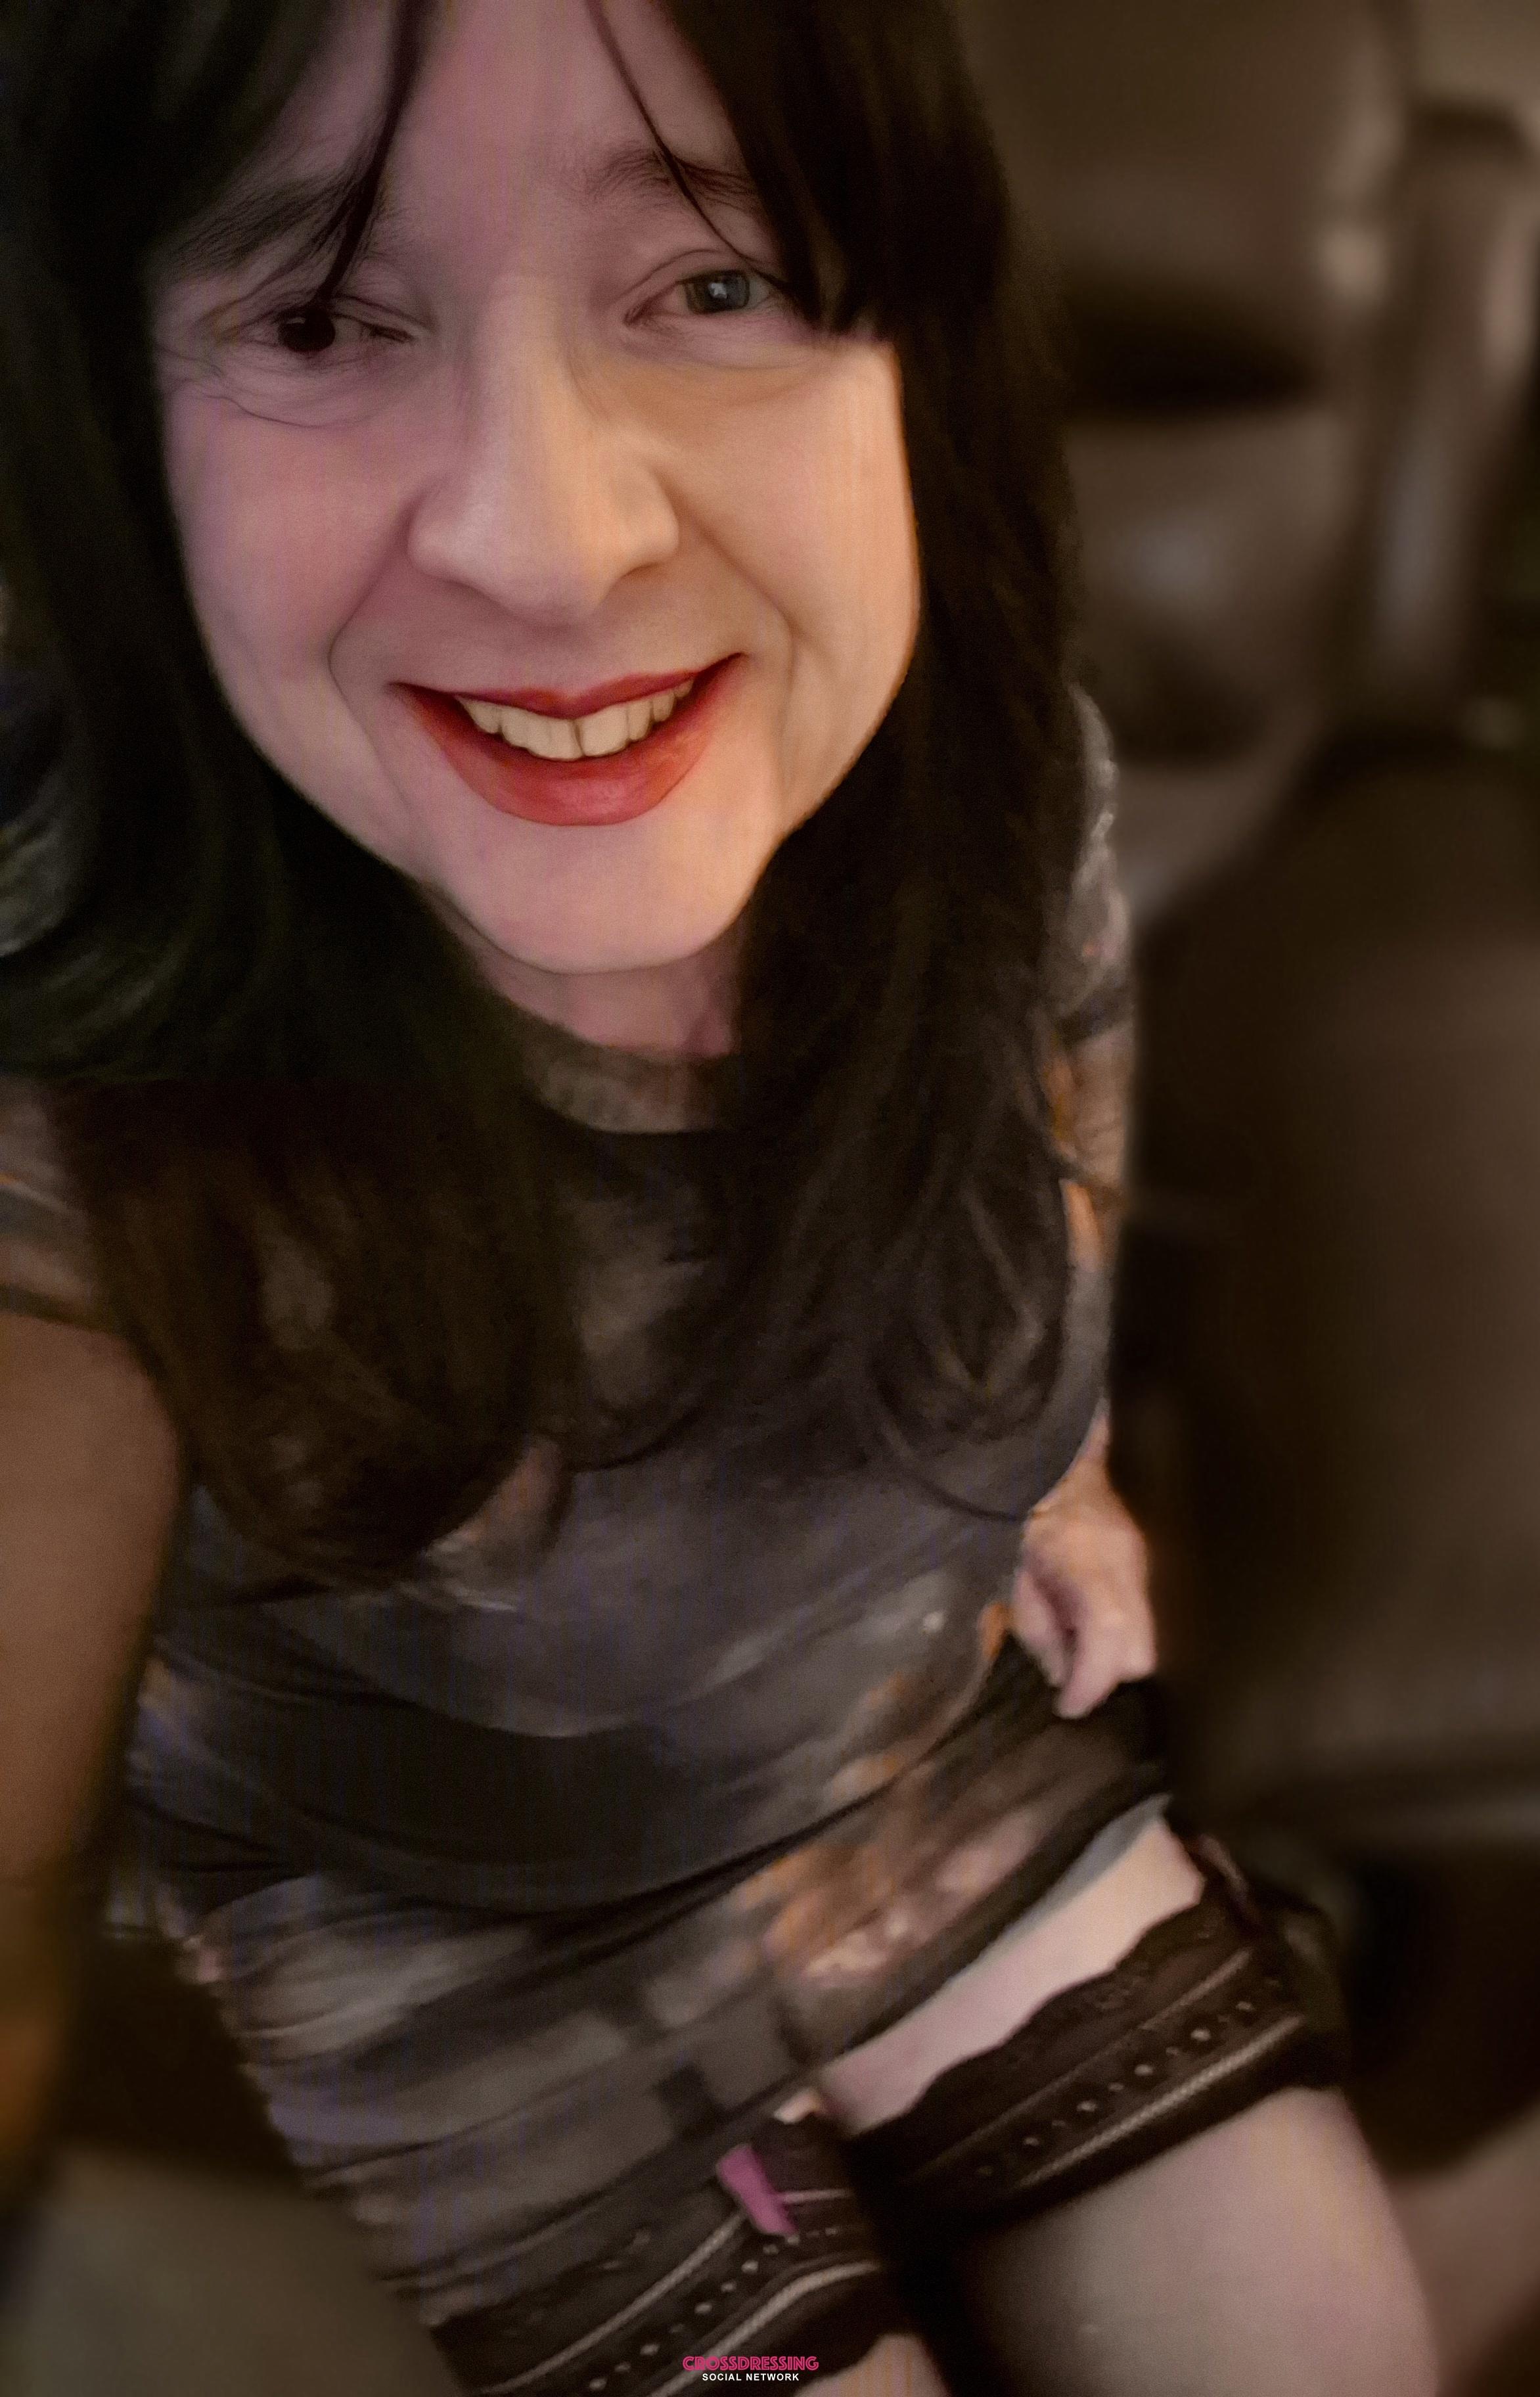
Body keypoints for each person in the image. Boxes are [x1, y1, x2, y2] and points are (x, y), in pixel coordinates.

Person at [0, 1, 1436, 2389]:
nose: (551, 540)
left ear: (914, 357)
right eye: (325, 318)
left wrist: (1065, 1469)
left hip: (913, 1762)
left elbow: (1058, 1121)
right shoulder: (75, 1089)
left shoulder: (1002, 800)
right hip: (460, 1961)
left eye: (718, 282)